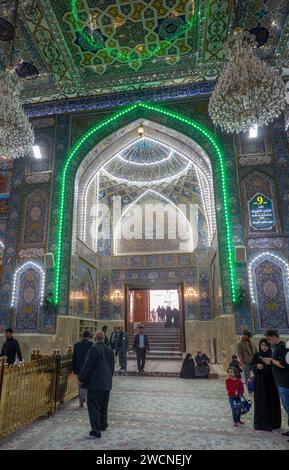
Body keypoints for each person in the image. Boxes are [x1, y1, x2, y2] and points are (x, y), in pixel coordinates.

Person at [78, 331, 114, 439]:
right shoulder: (109, 349)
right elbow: (112, 367)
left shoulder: (94, 349)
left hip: (95, 383)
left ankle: (96, 431)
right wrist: (108, 379)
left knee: (93, 406)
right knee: (104, 405)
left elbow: (87, 365)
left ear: (95, 338)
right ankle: (103, 425)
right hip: (107, 382)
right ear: (103, 339)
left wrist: (81, 378)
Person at [251, 338, 281, 432]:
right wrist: (257, 367)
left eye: (266, 345)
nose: (263, 347)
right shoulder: (257, 355)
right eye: (262, 345)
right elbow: (252, 366)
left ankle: (273, 423)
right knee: (261, 401)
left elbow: (277, 366)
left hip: (271, 383)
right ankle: (261, 423)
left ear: (269, 346)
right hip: (260, 383)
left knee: (271, 401)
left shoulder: (272, 355)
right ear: (259, 346)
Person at [264, 330, 289, 441]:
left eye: (269, 339)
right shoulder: (278, 347)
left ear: (274, 337)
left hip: (285, 383)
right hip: (281, 382)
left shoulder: (282, 347)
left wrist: (271, 361)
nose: (269, 342)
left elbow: (285, 364)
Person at [72, 330, 93, 407]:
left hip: (78, 368)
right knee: (88, 384)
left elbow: (74, 357)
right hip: (88, 369)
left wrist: (73, 369)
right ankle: (86, 398)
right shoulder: (91, 344)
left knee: (80, 384)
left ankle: (81, 401)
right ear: (89, 336)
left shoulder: (76, 344)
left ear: (82, 336)